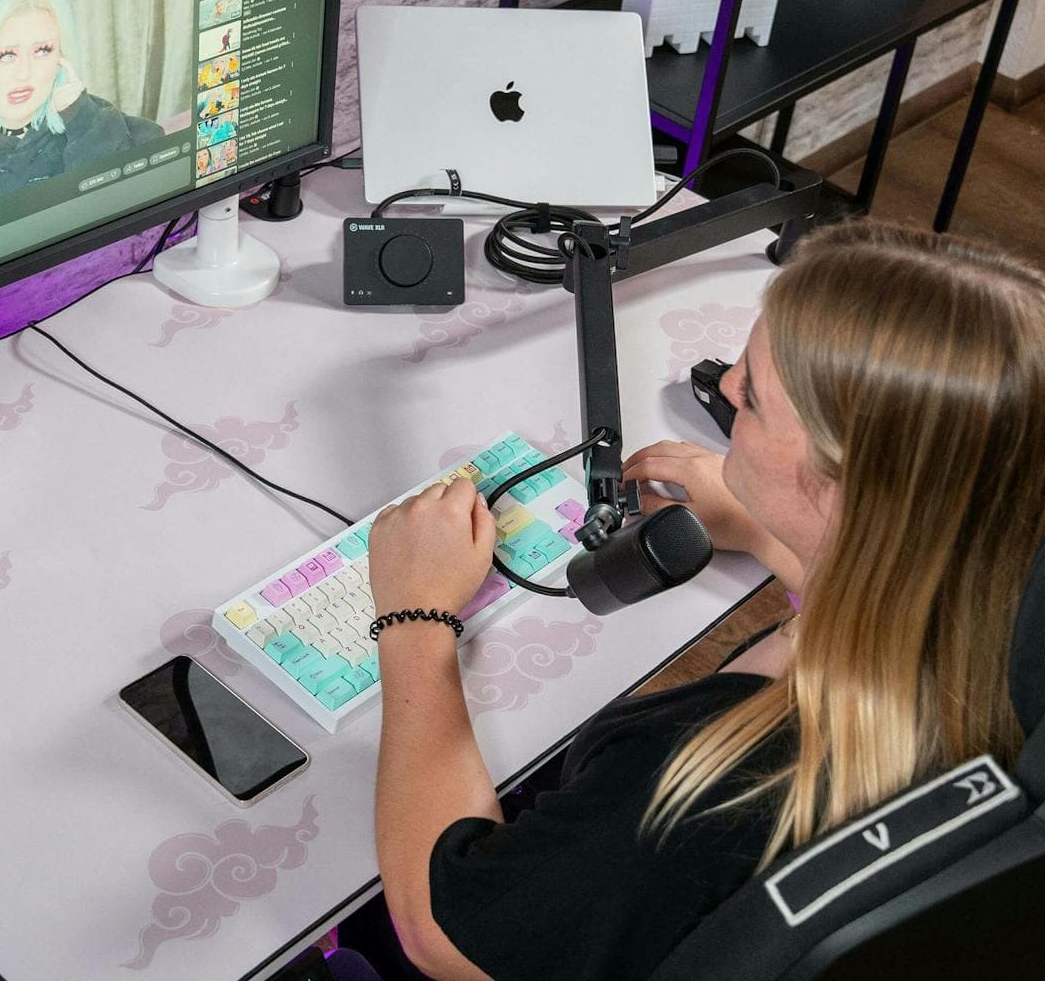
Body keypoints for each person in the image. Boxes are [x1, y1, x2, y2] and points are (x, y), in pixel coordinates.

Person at [356, 220, 1045, 980]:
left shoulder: (702, 790)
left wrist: (415, 616)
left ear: (844, 483)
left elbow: (447, 934)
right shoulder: (1012, 603)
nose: (721, 389)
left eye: (750, 398)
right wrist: (780, 530)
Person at [0, 0, 165, 231]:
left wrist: (81, 117)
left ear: (61, 62)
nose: (24, 73)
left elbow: (139, 209)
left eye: (42, 51)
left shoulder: (90, 121)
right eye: (7, 55)